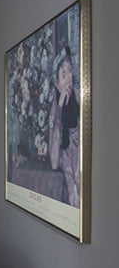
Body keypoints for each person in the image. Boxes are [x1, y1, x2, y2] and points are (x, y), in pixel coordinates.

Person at [48, 47, 79, 207]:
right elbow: (53, 161)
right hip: (69, 186)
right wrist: (60, 107)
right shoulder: (56, 109)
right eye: (63, 74)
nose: (68, 77)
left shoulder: (79, 97)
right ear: (58, 84)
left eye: (70, 71)